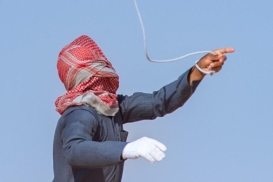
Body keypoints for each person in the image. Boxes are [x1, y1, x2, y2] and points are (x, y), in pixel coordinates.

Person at [52, 35, 233, 182]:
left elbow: (159, 102)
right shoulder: (79, 114)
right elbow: (75, 150)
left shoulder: (113, 107)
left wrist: (199, 70)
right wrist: (127, 149)